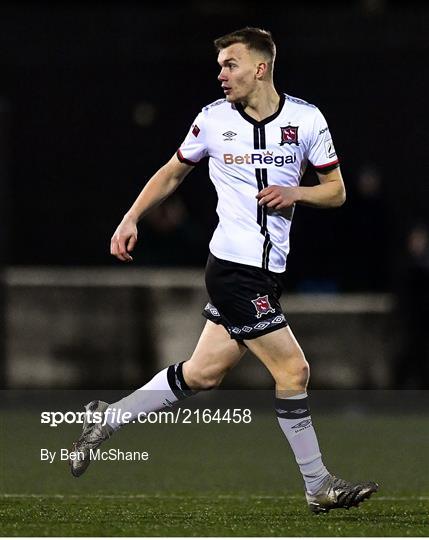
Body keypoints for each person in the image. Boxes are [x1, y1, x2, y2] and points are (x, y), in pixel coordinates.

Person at [70, 27, 378, 513]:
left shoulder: (306, 119)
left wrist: (296, 193)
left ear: (260, 68)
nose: (221, 74)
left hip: (267, 271)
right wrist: (131, 218)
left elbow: (336, 190)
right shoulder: (212, 120)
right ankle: (318, 486)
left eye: (230, 64)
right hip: (234, 270)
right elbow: (172, 171)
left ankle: (110, 417)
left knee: (203, 373)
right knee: (294, 370)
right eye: (220, 65)